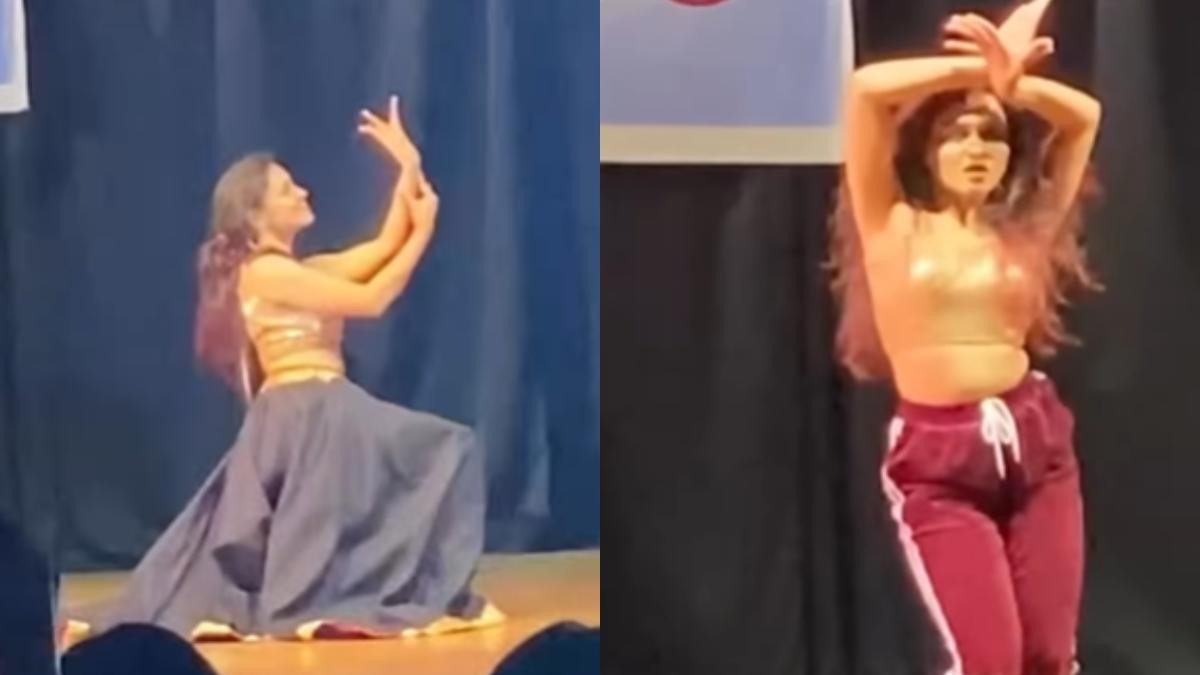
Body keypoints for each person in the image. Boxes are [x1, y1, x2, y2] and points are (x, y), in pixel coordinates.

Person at [69, 96, 503, 643]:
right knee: (445, 448)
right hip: (304, 413)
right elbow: (371, 298)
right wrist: (423, 230)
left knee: (444, 450)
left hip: (325, 408)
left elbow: (382, 245)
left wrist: (408, 168)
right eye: (285, 189)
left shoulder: (303, 269)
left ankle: (374, 583)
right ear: (255, 216)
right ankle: (374, 588)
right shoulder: (266, 273)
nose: (302, 192)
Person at [827, 1, 1101, 673]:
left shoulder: (1024, 230)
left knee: (1049, 656)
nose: (978, 148)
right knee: (991, 661)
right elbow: (865, 91)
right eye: (958, 133)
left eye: (993, 135)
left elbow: (1083, 118)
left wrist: (1014, 84)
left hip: (1036, 444)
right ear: (928, 148)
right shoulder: (892, 223)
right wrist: (976, 71)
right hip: (940, 460)